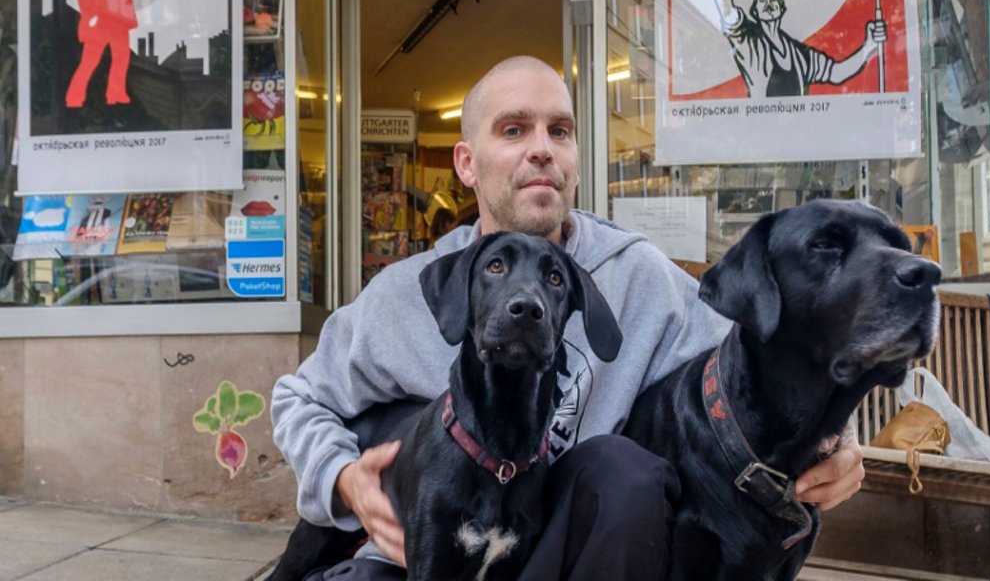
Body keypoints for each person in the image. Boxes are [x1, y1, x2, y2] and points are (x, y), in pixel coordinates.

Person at [271, 56, 865, 580]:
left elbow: (755, 364)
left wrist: (833, 441)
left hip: (559, 545)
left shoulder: (638, 277)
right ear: (467, 163)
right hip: (416, 554)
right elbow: (299, 398)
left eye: (560, 131)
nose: (542, 148)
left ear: (576, 159)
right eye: (513, 129)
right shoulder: (405, 293)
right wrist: (341, 477)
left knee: (623, 470)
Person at [704, 0, 886, 98]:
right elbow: (728, 12)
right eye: (762, 1)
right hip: (761, 127)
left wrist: (869, 46)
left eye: (773, 0)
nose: (768, 3)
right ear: (755, 13)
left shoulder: (800, 54)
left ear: (781, 10)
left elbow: (836, 73)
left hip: (799, 127)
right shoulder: (750, 42)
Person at [68, 0, 180, 108]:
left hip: (119, 23)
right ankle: (74, 97)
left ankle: (116, 94)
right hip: (101, 23)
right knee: (90, 61)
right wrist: (90, 17)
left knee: (121, 58)